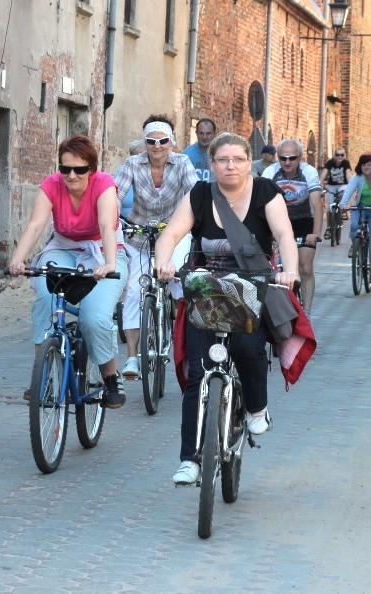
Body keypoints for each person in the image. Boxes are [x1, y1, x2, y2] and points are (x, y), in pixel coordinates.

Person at [154, 132, 299, 485]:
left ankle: (255, 406)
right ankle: (190, 459)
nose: (230, 166)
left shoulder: (266, 192)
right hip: (207, 290)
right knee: (198, 375)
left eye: (237, 159)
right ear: (212, 164)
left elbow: (283, 235)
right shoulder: (201, 195)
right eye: (222, 160)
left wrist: (290, 270)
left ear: (249, 162)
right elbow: (171, 235)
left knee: (249, 350)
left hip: (252, 287)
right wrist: (163, 263)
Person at [9, 135, 128, 407]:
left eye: (79, 169)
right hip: (62, 248)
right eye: (65, 169)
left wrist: (109, 263)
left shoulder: (104, 185)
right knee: (45, 298)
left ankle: (110, 377)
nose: (71, 175)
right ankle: (42, 374)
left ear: (92, 169)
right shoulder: (51, 185)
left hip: (102, 250)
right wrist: (18, 260)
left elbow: (107, 224)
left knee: (94, 317)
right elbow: (36, 225)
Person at [114, 115, 199, 379]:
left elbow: (195, 192)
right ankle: (131, 358)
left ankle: (188, 344)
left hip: (175, 230)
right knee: (133, 292)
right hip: (141, 232)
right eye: (151, 141)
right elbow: (115, 195)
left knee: (181, 284)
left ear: (171, 142)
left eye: (163, 140)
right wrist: (112, 222)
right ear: (145, 142)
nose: (157, 146)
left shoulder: (183, 162)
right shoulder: (132, 163)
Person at [261, 139, 323, 317]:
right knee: (275, 268)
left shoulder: (308, 172)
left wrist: (315, 233)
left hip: (303, 221)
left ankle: (307, 313)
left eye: (292, 158)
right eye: (283, 158)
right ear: (277, 158)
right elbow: (260, 202)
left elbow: (317, 205)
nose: (287, 162)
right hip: (277, 221)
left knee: (305, 268)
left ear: (300, 158)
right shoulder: (270, 172)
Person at [339, 153, 371, 256]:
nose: (366, 167)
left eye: (369, 164)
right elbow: (349, 190)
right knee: (354, 225)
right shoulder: (357, 177)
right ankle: (354, 245)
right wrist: (343, 203)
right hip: (360, 207)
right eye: (363, 165)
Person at [116, 139, 144, 219]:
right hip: (124, 220)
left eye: (140, 155)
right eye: (133, 155)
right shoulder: (123, 171)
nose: (135, 159)